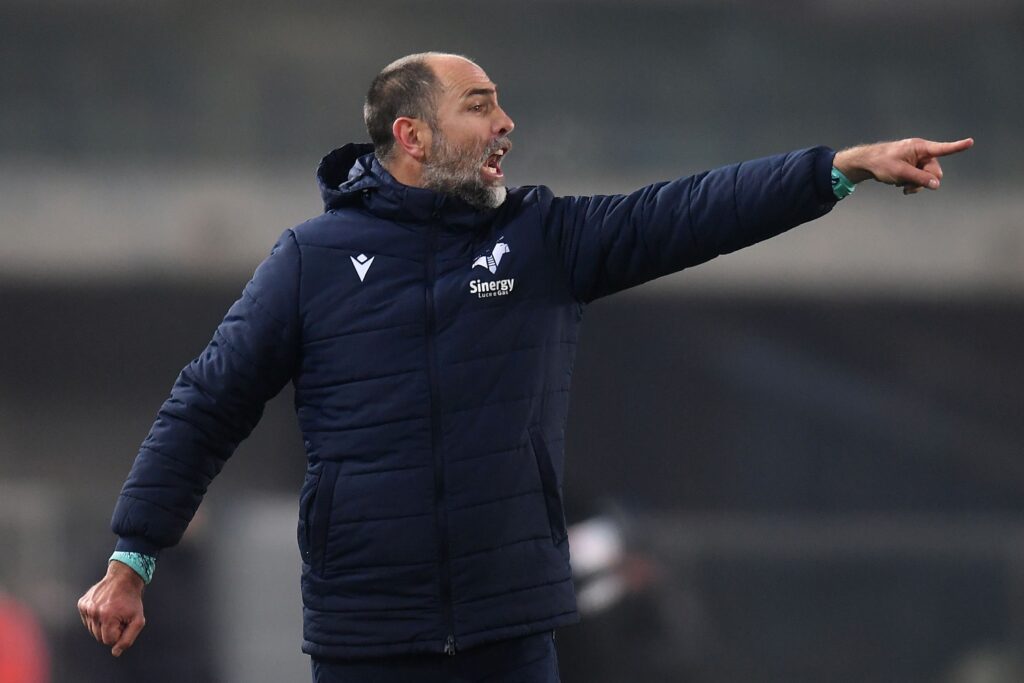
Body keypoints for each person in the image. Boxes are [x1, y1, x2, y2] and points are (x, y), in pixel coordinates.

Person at [77, 52, 973, 682]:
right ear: (413, 134)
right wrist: (132, 557)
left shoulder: (543, 238)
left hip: (509, 631)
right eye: (480, 105)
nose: (506, 123)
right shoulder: (310, 261)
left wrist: (837, 171)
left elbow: (689, 212)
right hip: (365, 633)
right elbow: (206, 403)